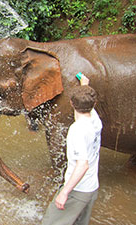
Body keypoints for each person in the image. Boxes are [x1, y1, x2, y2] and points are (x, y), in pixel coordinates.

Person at [42, 74, 103, 225]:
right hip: (92, 187)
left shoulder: (77, 130)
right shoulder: (96, 121)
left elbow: (82, 165)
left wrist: (64, 192)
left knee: (50, 222)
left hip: (78, 190)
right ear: (94, 103)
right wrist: (84, 85)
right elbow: (86, 101)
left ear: (71, 103)